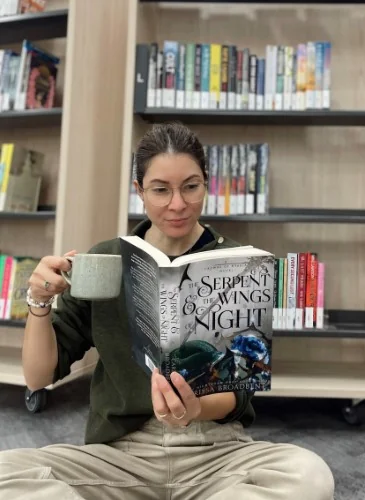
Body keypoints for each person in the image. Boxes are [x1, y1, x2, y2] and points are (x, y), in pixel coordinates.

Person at [0, 122, 335, 500]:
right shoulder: (106, 259)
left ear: (206, 183)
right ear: (140, 191)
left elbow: (240, 391)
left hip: (215, 452)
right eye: (161, 190)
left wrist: (192, 409)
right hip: (121, 458)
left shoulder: (239, 263)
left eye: (191, 186)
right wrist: (39, 303)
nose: (177, 204)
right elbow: (37, 376)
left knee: (308, 476)